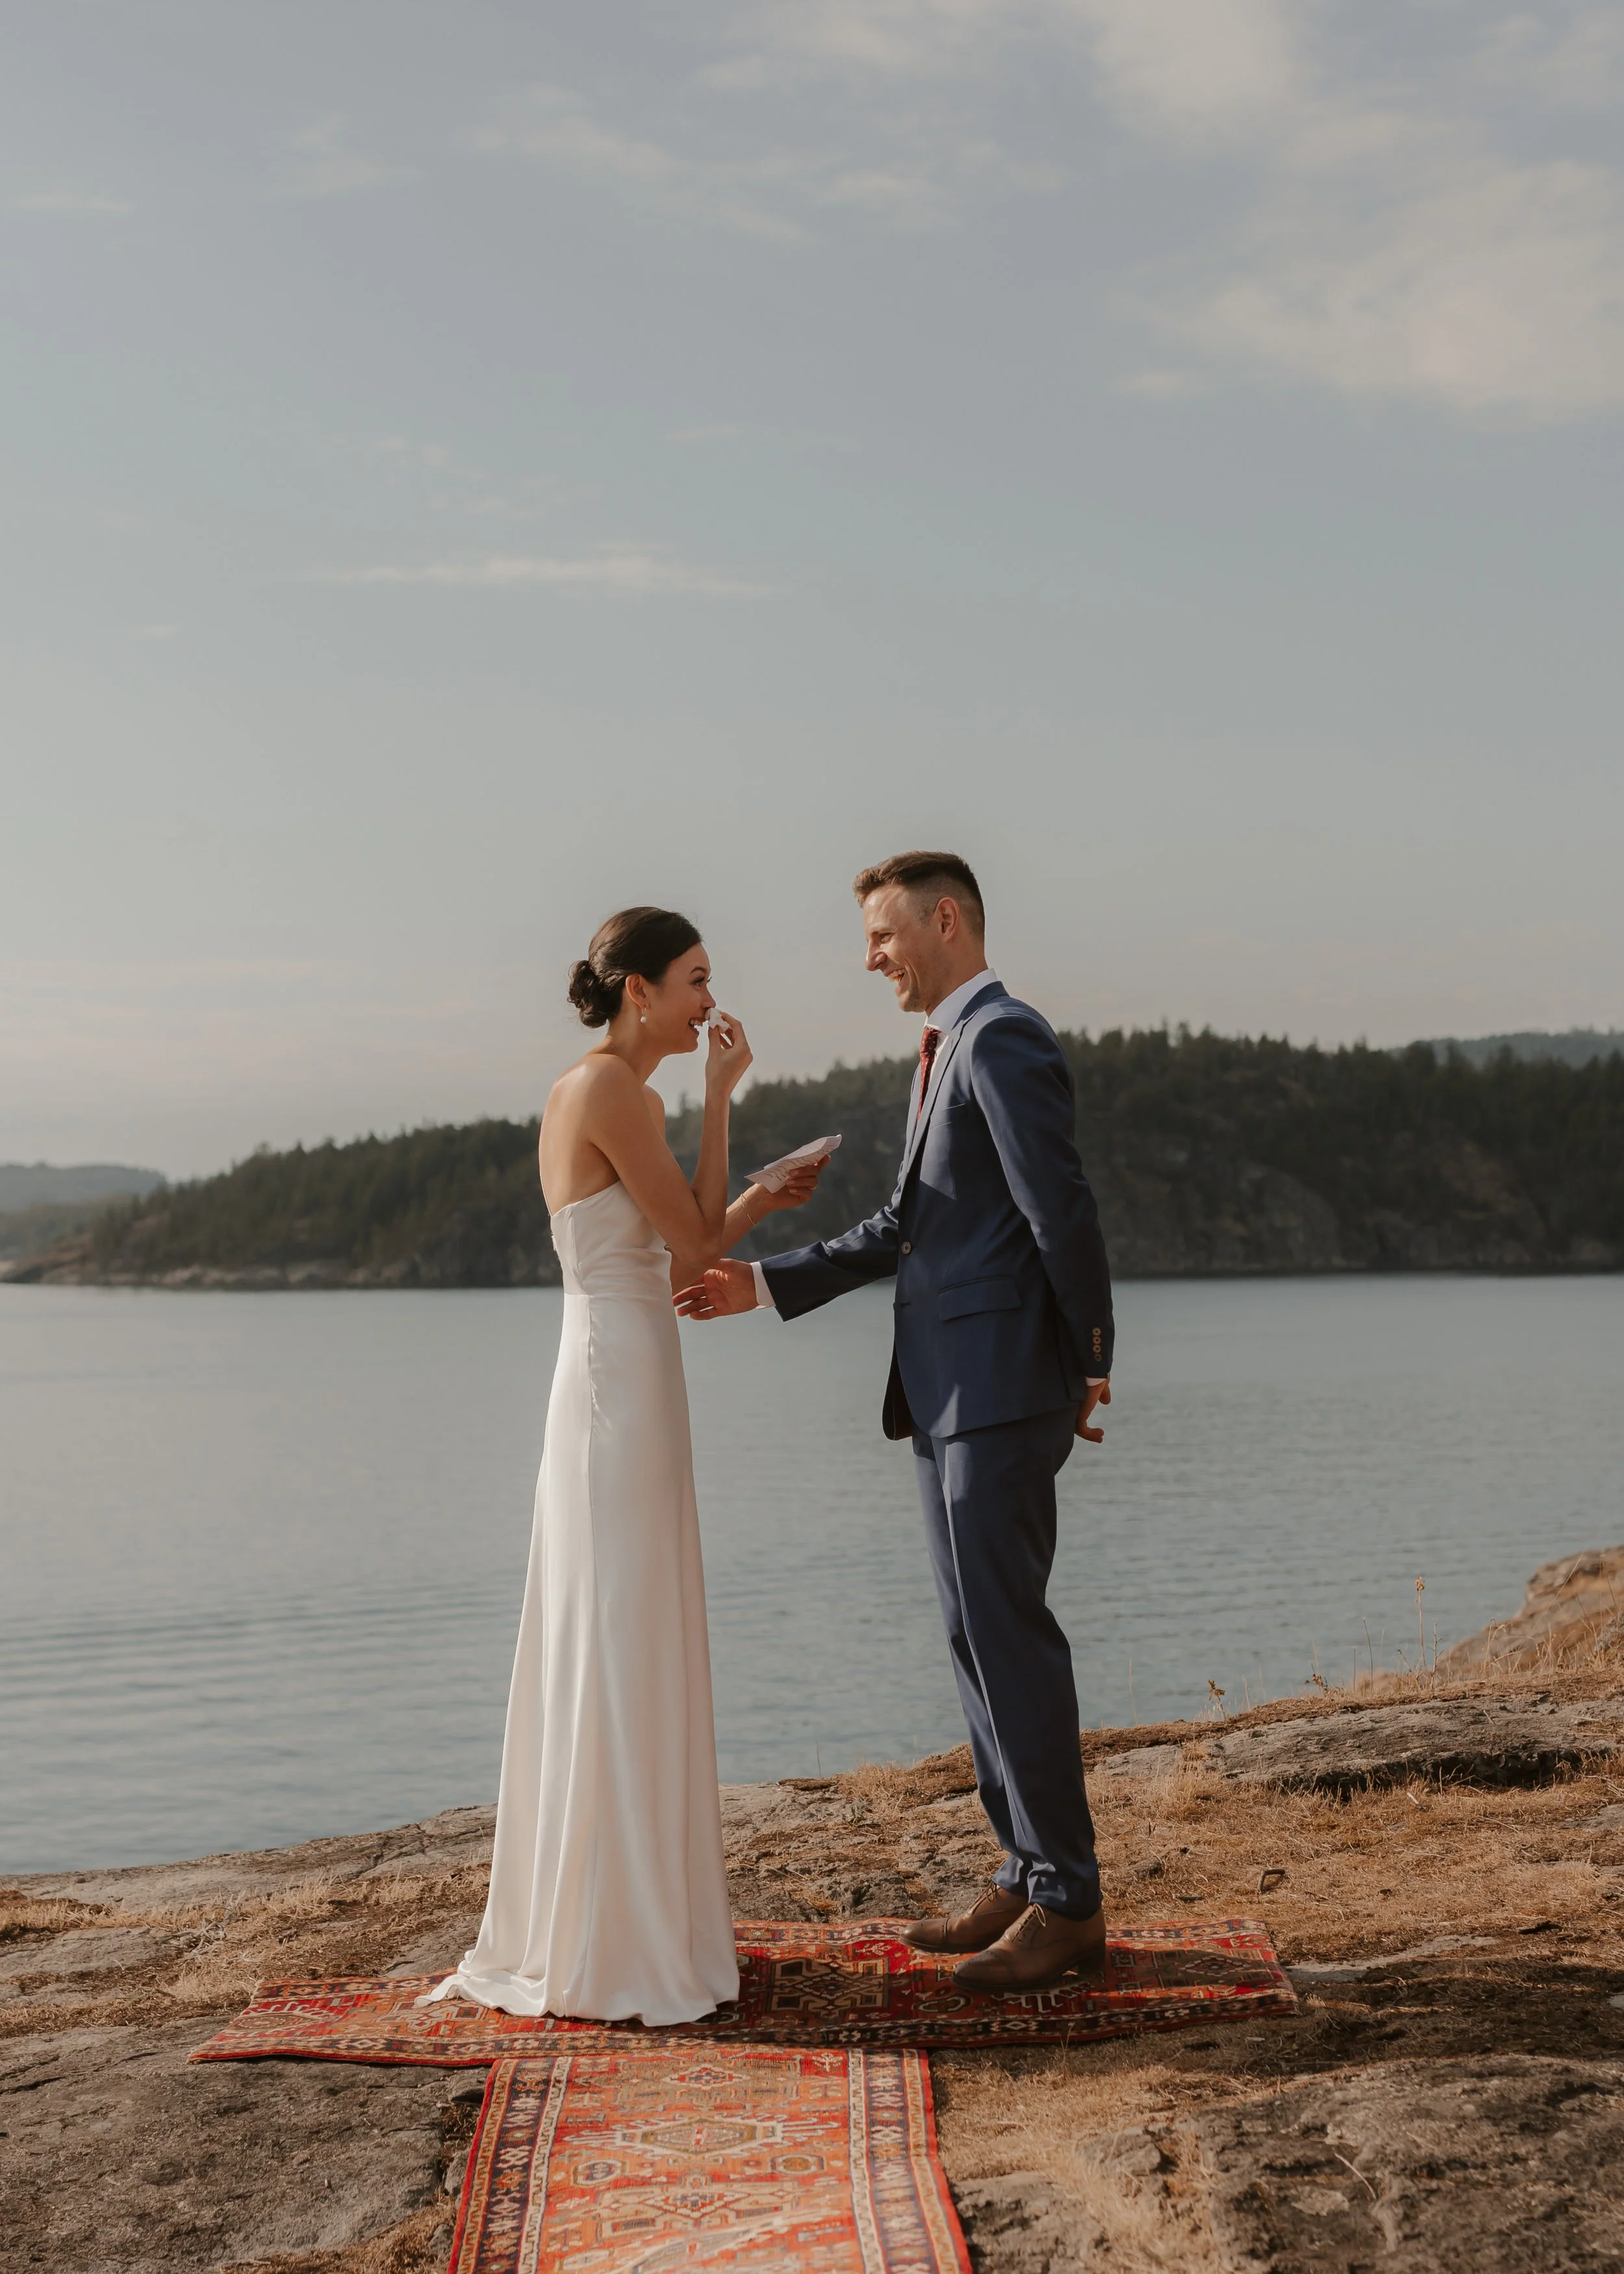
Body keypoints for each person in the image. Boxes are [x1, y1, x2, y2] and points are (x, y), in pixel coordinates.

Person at [676, 852, 1115, 1993]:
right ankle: (1023, 1872)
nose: (871, 959)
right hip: (943, 1389)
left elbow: (1057, 1207)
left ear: (947, 920)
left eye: (882, 936)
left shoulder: (1004, 1038)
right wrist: (763, 1282)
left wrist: (1090, 1360)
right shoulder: (943, 1053)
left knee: (1009, 1631)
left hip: (1003, 1386)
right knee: (972, 1636)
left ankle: (1070, 1903)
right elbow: (903, 1227)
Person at [427, 906, 821, 2025]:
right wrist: (725, 1103)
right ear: (639, 990)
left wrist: (756, 1197)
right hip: (615, 1380)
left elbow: (666, 1240)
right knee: (614, 1625)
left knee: (627, 1621)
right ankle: (612, 1932)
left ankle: (625, 1911)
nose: (711, 1002)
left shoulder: (610, 1093)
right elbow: (689, 1251)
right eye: (696, 980)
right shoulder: (609, 1088)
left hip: (627, 1365)